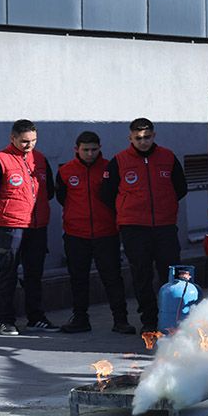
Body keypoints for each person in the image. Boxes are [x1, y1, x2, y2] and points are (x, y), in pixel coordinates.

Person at [101, 118, 187, 333]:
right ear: (130, 138)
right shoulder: (119, 161)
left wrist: (164, 206)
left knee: (171, 274)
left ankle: (172, 320)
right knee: (142, 275)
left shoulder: (167, 157)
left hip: (164, 226)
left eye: (147, 137)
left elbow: (181, 187)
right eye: (138, 138)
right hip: (134, 228)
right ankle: (149, 320)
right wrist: (129, 208)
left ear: (153, 135)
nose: (143, 141)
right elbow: (107, 194)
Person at [0, 119, 59, 335]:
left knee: (34, 273)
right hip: (11, 225)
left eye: (33, 140)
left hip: (37, 224)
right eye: (24, 141)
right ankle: (7, 320)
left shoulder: (40, 159)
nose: (29, 145)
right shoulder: (0, 160)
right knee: (8, 274)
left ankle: (36, 317)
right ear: (12, 138)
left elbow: (49, 191)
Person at [55, 131, 135, 334]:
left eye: (94, 149)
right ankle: (80, 319)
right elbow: (62, 198)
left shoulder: (110, 168)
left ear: (100, 148)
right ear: (76, 149)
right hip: (76, 234)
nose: (90, 153)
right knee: (78, 278)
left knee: (112, 278)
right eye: (85, 150)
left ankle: (120, 320)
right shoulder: (65, 171)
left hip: (105, 232)